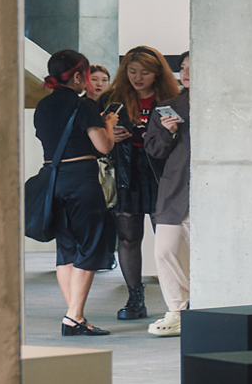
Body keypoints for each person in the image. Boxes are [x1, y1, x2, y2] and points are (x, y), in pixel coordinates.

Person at [31, 50, 115, 336]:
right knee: (90, 247)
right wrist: (109, 125)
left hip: (53, 181)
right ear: (78, 76)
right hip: (81, 181)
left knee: (66, 250)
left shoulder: (43, 106)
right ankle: (74, 316)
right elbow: (104, 146)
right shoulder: (84, 106)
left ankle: (75, 316)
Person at [98, 45, 183, 321]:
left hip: (162, 174)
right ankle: (135, 298)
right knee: (128, 238)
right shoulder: (112, 100)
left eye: (144, 72)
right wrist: (110, 137)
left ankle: (178, 299)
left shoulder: (172, 99)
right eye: (132, 71)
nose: (137, 78)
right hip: (126, 174)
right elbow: (94, 139)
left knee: (168, 239)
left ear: (157, 73)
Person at [145, 71, 192, 337]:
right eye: (183, 67)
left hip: (216, 188)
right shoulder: (169, 107)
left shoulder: (223, 104)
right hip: (175, 187)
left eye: (192, 66)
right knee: (165, 249)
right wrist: (168, 132)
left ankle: (198, 307)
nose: (186, 72)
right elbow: (154, 150)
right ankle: (178, 310)